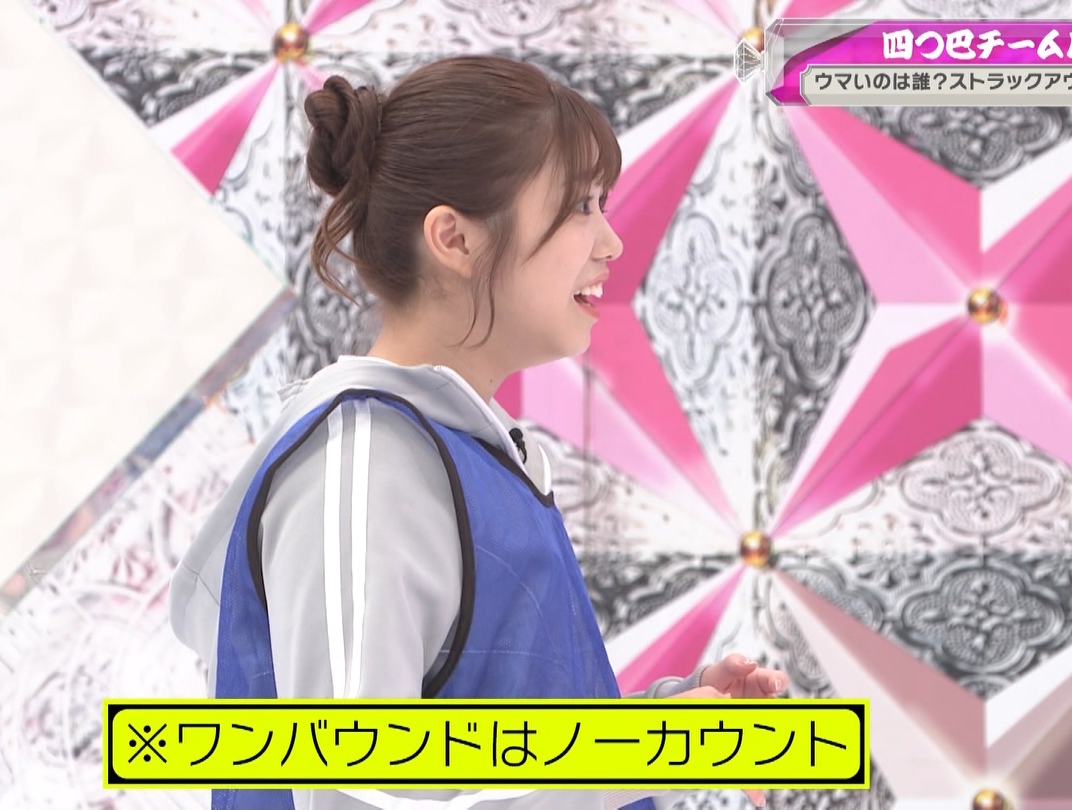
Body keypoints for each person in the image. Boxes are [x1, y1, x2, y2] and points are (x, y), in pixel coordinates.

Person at [169, 55, 788, 810]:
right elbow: (358, 795)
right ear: (455, 239)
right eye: (580, 205)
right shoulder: (366, 467)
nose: (611, 242)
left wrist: (669, 722)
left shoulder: (460, 454)